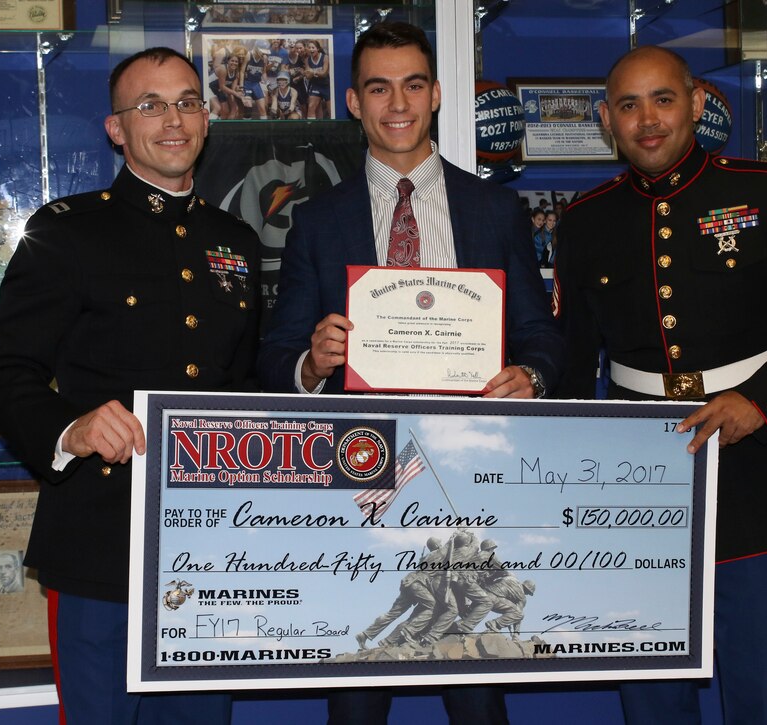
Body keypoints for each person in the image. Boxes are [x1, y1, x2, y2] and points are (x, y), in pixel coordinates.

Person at [553, 46, 767, 724]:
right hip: (633, 492)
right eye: (629, 105)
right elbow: (570, 361)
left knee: (761, 699)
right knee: (651, 700)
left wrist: (763, 400)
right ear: (607, 119)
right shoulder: (584, 221)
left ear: (698, 103)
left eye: (663, 100)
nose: (647, 121)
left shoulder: (764, 190)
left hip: (756, 477)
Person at [257, 21, 562, 725]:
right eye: (379, 87)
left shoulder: (495, 208)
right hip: (361, 487)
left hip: (471, 483)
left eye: (413, 84)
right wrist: (311, 362)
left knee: (480, 700)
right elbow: (273, 359)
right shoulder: (316, 221)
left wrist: (533, 376)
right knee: (357, 702)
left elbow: (546, 337)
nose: (398, 103)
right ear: (353, 103)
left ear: (437, 95)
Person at [0, 46, 259, 725]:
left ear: (207, 118)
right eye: (150, 105)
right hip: (102, 547)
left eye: (187, 102)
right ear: (116, 128)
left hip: (211, 547)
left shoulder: (236, 241)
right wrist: (70, 428)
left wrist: (309, 369)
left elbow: (245, 381)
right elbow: (2, 370)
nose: (173, 119)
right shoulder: (67, 232)